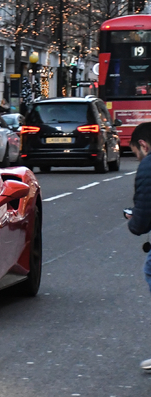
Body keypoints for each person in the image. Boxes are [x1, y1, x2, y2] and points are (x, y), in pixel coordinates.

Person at [125, 122, 151, 372]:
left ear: (143, 145)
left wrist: (134, 220)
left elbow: (142, 217)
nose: (138, 158)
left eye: (136, 153)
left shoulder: (148, 165)